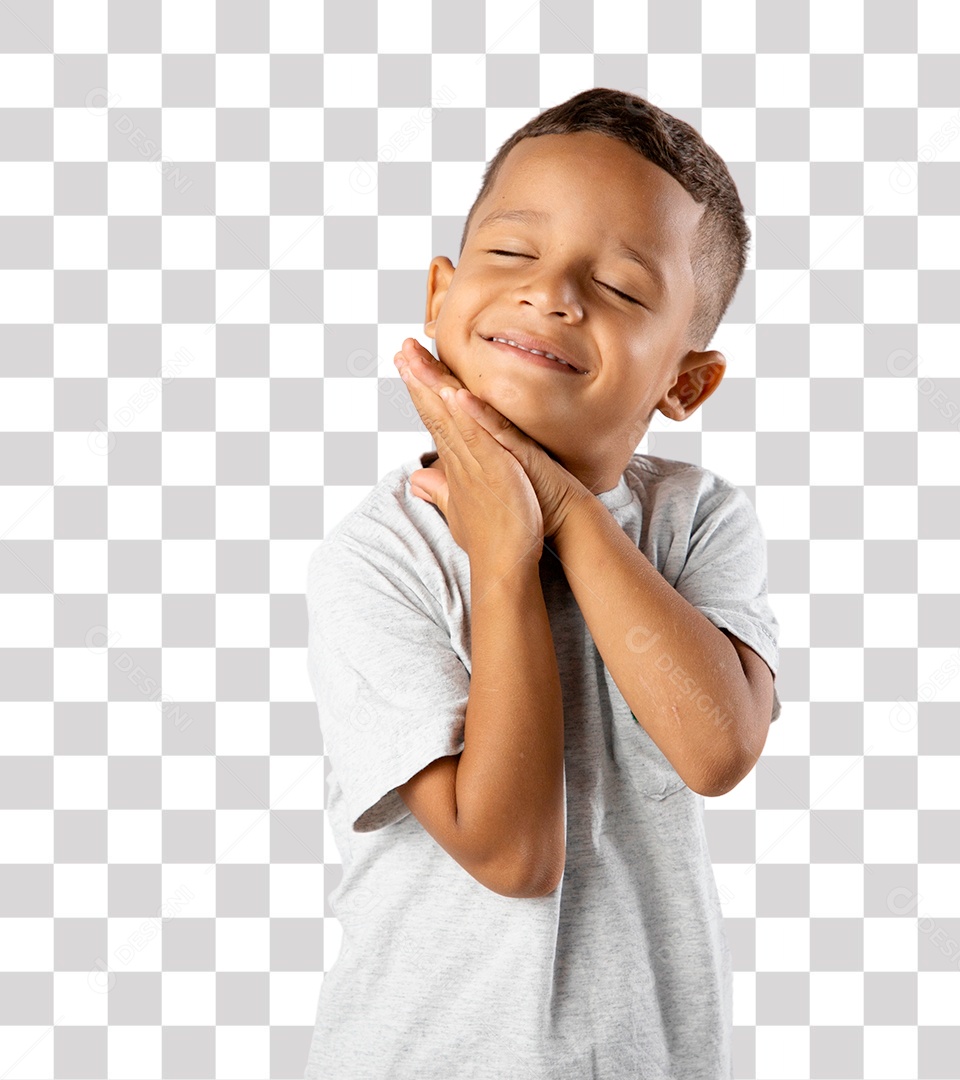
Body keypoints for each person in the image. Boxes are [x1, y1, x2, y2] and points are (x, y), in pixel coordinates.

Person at [303, 87, 781, 1079]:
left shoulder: (696, 519)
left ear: (684, 383)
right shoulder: (380, 556)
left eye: (620, 285)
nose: (553, 293)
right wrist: (503, 554)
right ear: (443, 292)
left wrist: (560, 510)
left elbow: (719, 747)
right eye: (513, 255)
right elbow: (513, 855)